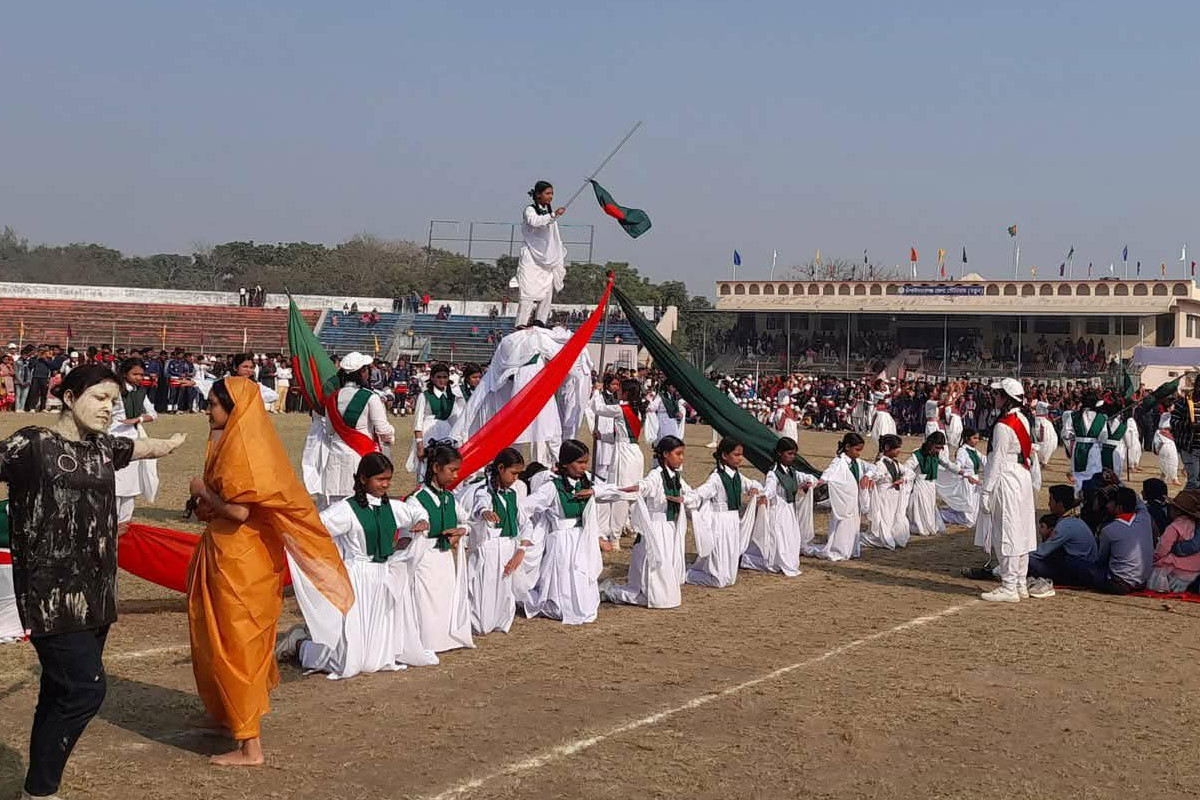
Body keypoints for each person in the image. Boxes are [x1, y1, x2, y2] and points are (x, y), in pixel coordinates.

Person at [4, 365, 184, 797]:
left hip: (98, 593)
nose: (108, 409)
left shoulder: (103, 447)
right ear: (68, 397)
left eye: (114, 402)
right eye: (100, 398)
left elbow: (138, 447)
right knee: (85, 690)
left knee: (57, 690)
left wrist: (169, 444)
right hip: (51, 594)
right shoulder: (33, 444)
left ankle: (36, 789)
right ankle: (43, 788)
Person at [187, 377, 354, 766]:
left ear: (233, 409)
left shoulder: (243, 449)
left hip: (243, 563)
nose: (207, 411)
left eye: (213, 404)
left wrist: (202, 491)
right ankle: (227, 714)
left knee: (237, 646)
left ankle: (250, 746)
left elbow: (240, 511)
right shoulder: (231, 440)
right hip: (231, 553)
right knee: (217, 640)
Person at [286, 453, 436, 679]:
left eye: (388, 479)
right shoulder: (346, 509)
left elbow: (416, 512)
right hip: (357, 578)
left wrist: (418, 524)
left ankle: (373, 651)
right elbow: (317, 528)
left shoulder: (392, 507)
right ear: (364, 479)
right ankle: (300, 645)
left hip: (383, 577)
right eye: (380, 479)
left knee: (374, 657)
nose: (385, 484)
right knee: (350, 660)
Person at [522, 439, 629, 624]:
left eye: (585, 462)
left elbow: (617, 493)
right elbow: (526, 506)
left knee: (582, 582)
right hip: (562, 540)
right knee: (562, 584)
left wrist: (594, 492)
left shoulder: (586, 482)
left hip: (582, 539)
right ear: (565, 463)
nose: (583, 467)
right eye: (579, 462)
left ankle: (581, 603)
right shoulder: (551, 486)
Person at [603, 436, 695, 608]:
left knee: (667, 573)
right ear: (666, 454)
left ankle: (658, 593)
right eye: (678, 454)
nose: (681, 458)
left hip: (669, 528)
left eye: (682, 454)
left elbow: (690, 492)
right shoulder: (656, 474)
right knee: (654, 571)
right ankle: (621, 592)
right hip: (656, 528)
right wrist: (638, 487)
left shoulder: (676, 476)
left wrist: (684, 498)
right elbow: (647, 484)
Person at [402, 444, 474, 653]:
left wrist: (462, 530)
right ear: (435, 467)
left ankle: (447, 638)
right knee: (427, 602)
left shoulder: (450, 498)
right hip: (425, 559)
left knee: (445, 599)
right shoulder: (417, 499)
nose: (455, 475)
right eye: (451, 470)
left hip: (444, 560)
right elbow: (409, 531)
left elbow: (468, 521)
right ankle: (427, 641)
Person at [975, 378, 1039, 602]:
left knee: (1007, 531)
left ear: (1006, 398)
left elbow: (996, 461)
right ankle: (1019, 582)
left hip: (1007, 477)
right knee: (1022, 531)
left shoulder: (1003, 425)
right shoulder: (1022, 418)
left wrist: (986, 490)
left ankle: (1009, 585)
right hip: (1021, 475)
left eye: (997, 394)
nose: (994, 397)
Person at [465, 448, 532, 634]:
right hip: (491, 547)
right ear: (501, 468)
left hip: (509, 547)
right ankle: (480, 622)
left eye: (519, 474)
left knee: (504, 588)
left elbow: (526, 524)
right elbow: (481, 504)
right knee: (486, 587)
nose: (516, 478)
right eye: (513, 473)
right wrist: (484, 512)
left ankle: (500, 620)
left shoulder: (512, 495)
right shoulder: (484, 491)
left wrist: (521, 550)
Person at [687, 438, 766, 588]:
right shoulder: (717, 477)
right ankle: (686, 574)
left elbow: (753, 484)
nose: (740, 458)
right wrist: (687, 499)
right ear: (724, 455)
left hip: (733, 521)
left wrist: (755, 489)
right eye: (736, 455)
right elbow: (702, 492)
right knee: (719, 578)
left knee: (730, 576)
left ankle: (712, 570)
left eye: (741, 455)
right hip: (719, 522)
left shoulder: (736, 475)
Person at [323, 352, 395, 508]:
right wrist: (391, 436)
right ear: (362, 372)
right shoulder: (370, 397)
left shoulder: (333, 397)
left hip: (335, 455)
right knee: (360, 505)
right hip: (361, 455)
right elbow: (383, 429)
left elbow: (329, 430)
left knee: (336, 506)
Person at [744, 436, 820, 573]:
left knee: (791, 537)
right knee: (779, 538)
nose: (792, 457)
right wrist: (765, 496)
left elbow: (808, 477)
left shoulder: (791, 471)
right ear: (780, 453)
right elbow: (770, 488)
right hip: (778, 509)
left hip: (790, 510)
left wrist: (810, 482)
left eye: (794, 454)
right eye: (789, 454)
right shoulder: (773, 473)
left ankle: (780, 559)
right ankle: (769, 560)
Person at [588, 379, 648, 549]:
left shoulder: (621, 409)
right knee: (632, 494)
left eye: (620, 389)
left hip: (624, 455)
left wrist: (597, 391)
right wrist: (603, 437)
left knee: (621, 494)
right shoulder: (636, 410)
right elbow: (622, 435)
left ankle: (615, 537)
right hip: (633, 451)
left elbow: (598, 408)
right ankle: (634, 528)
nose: (617, 391)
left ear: (626, 392)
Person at [111, 357, 160, 527]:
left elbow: (153, 414)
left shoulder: (140, 392)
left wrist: (137, 419)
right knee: (115, 483)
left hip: (134, 440)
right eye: (135, 374)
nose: (139, 377)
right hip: (114, 438)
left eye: (141, 374)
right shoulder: (113, 391)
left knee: (132, 484)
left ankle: (125, 521)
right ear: (125, 373)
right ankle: (112, 522)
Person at [1026, 485, 1098, 594]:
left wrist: (1021, 557)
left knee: (1030, 561)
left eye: (1051, 500)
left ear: (1059, 504)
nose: (1049, 504)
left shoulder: (1065, 525)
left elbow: (1041, 552)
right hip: (1084, 567)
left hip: (1076, 571)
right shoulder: (1075, 520)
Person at [516, 180, 566, 327]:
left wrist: (552, 215)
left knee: (547, 291)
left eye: (552, 194)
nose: (551, 197)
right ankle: (521, 323)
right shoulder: (530, 210)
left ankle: (540, 322)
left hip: (547, 258)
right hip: (531, 256)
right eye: (548, 193)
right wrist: (553, 215)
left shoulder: (549, 213)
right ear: (538, 195)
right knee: (527, 291)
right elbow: (535, 222)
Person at [817, 432, 872, 561]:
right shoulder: (839, 462)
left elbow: (873, 468)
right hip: (843, 500)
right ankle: (839, 549)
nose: (859, 453)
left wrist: (867, 475)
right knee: (842, 526)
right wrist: (820, 482)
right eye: (857, 450)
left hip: (854, 502)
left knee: (853, 525)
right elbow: (828, 473)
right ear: (847, 447)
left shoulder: (858, 462)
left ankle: (851, 549)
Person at [1091, 486, 1154, 594]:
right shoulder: (1144, 518)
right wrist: (1118, 483)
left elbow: (1101, 559)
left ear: (1119, 507)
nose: (1106, 505)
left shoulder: (1108, 530)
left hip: (1121, 583)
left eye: (1110, 502)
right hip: (1144, 581)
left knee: (1080, 566)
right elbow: (1138, 501)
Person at [406, 362, 463, 479]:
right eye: (439, 377)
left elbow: (455, 418)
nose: (442, 380)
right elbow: (418, 422)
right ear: (432, 378)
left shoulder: (452, 397)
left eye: (445, 377)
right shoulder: (425, 395)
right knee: (427, 465)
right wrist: (420, 445)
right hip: (428, 431)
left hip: (446, 432)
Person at [905, 431, 963, 536]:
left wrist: (961, 472)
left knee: (929, 507)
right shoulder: (917, 454)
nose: (938, 450)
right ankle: (919, 527)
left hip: (931, 485)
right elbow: (907, 467)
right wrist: (907, 478)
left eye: (940, 448)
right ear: (930, 444)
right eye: (937, 447)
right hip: (920, 485)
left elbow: (948, 464)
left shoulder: (937, 454)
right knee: (921, 508)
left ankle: (929, 526)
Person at [862, 434, 914, 550]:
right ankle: (881, 537)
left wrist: (903, 479)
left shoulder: (896, 463)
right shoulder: (880, 463)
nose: (899, 451)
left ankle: (892, 535)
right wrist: (872, 478)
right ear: (887, 448)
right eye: (896, 448)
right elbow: (877, 474)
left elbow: (910, 473)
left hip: (894, 495)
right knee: (884, 517)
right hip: (884, 494)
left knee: (893, 517)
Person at [1147, 489, 1200, 592]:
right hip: (1195, 569)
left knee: (1155, 569)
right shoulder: (1195, 525)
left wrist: (1154, 558)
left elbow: (1162, 549)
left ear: (1177, 511)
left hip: (1176, 571)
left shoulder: (1174, 527)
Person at [1061, 391, 1107, 495]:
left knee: (1079, 476)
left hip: (1079, 448)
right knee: (1094, 475)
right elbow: (1103, 437)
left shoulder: (1073, 416)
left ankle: (1080, 499)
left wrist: (1075, 438)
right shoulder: (1101, 418)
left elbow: (1065, 434)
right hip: (1094, 448)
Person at [939, 427, 985, 528]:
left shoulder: (974, 451)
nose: (977, 441)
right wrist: (965, 474)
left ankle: (950, 512)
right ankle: (941, 515)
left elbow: (985, 461)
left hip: (975, 482)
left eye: (978, 438)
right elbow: (958, 465)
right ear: (967, 438)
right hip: (967, 482)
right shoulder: (962, 451)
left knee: (974, 514)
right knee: (969, 519)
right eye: (974, 438)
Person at [1170, 383, 1200, 489]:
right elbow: (1173, 421)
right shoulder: (1183, 402)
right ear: (1196, 386)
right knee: (1193, 480)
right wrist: (1189, 426)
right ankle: (1184, 504)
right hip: (1189, 447)